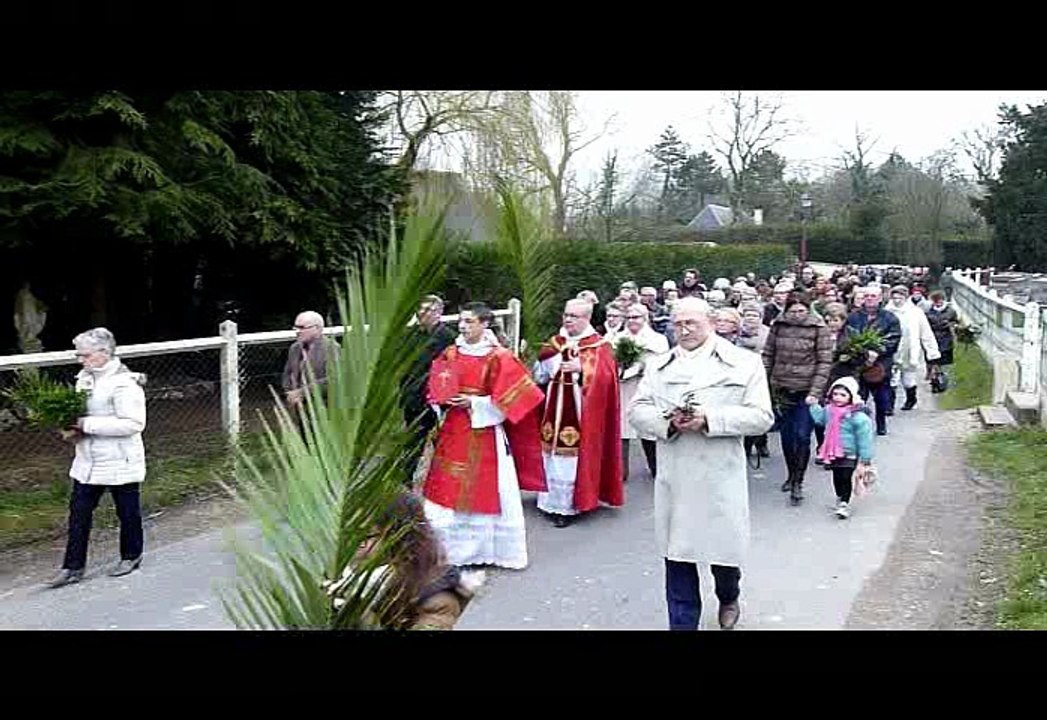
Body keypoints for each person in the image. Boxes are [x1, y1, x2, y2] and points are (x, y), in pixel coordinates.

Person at [628, 297, 775, 630]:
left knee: (723, 557)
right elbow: (637, 410)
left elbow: (761, 416)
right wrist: (667, 423)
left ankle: (728, 595)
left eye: (691, 323)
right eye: (677, 324)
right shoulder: (660, 365)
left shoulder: (743, 362)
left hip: (719, 476)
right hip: (675, 478)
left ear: (710, 321)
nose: (683, 330)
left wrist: (710, 419)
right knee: (677, 557)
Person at [421, 302, 547, 569]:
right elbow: (437, 384)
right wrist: (439, 399)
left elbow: (522, 396)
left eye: (469, 321)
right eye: (462, 321)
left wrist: (476, 404)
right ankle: (448, 552)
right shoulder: (451, 353)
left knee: (485, 489)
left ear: (484, 324)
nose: (463, 326)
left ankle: (492, 551)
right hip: (453, 429)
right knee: (447, 490)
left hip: (485, 431)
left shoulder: (499, 357)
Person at [47, 328, 148, 588]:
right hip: (87, 461)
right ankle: (72, 567)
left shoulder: (125, 383)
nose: (81, 359)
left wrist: (85, 424)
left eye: (85, 354)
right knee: (78, 513)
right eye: (78, 354)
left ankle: (131, 555)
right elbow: (78, 415)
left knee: (127, 512)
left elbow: (133, 424)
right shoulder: (84, 379)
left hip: (120, 460)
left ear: (104, 353)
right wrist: (69, 428)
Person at [326, 492, 483, 630]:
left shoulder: (435, 598)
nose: (351, 542)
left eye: (364, 536)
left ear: (400, 538)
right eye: (346, 532)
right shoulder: (335, 570)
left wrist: (362, 615)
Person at [534, 298, 623, 528]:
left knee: (570, 458)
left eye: (574, 316)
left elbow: (606, 379)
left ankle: (568, 507)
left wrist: (582, 369)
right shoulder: (555, 342)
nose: (568, 320)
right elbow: (541, 375)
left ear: (587, 318)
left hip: (581, 411)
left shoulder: (598, 346)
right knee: (551, 454)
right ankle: (548, 501)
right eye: (566, 315)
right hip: (553, 407)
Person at [762, 293, 834, 505]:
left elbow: (824, 362)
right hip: (781, 387)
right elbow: (768, 354)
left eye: (801, 311)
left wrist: (816, 391)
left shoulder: (819, 328)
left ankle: (798, 482)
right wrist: (764, 381)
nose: (797, 315)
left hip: (806, 390)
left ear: (808, 310)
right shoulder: (778, 326)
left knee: (802, 435)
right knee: (787, 436)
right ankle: (791, 473)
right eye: (793, 311)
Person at [401, 295, 457, 484]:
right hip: (413, 399)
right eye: (421, 309)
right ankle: (404, 482)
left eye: (429, 310)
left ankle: (445, 483)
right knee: (411, 444)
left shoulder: (448, 338)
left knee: (443, 443)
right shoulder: (410, 335)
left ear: (440, 313)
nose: (423, 314)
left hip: (436, 400)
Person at [615, 303, 670, 482]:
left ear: (645, 318)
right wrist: (620, 370)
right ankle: (620, 471)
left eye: (636, 317)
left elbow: (662, 364)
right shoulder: (616, 338)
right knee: (622, 429)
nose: (632, 321)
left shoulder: (658, 339)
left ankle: (657, 468)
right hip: (623, 388)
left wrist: (640, 367)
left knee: (649, 430)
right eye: (629, 317)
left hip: (647, 388)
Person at [809, 377, 875, 520]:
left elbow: (865, 438)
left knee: (845, 477)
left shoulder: (858, 416)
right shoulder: (829, 410)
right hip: (833, 453)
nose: (838, 398)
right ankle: (840, 497)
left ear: (851, 396)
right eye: (835, 394)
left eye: (843, 395)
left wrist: (865, 458)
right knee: (837, 477)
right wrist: (814, 407)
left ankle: (844, 503)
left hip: (850, 453)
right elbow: (820, 420)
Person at [846, 286, 902, 436]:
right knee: (859, 396)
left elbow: (894, 339)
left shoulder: (889, 318)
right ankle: (860, 423)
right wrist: (862, 353)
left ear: (880, 299)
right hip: (859, 363)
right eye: (867, 296)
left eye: (873, 296)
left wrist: (877, 352)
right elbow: (848, 337)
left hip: (882, 364)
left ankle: (881, 422)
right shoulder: (854, 317)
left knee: (882, 398)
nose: (870, 298)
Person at [885, 285, 940, 411]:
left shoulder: (915, 313)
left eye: (900, 298)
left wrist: (932, 351)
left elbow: (925, 332)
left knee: (908, 379)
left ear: (906, 298)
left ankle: (911, 399)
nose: (897, 301)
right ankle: (889, 405)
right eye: (894, 298)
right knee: (891, 378)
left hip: (910, 349)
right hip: (893, 349)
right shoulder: (887, 312)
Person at [281, 310, 340, 420]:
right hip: (300, 410)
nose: (297, 331)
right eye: (295, 327)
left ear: (317, 328)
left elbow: (334, 379)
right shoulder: (294, 348)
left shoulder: (332, 348)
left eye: (302, 327)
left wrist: (302, 393)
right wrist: (289, 392)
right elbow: (287, 373)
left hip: (324, 410)